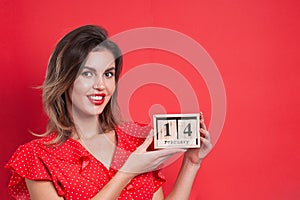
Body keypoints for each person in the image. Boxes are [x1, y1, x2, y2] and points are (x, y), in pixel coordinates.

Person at [5, 25, 212, 200]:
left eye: (108, 74)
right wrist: (128, 171)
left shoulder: (137, 140)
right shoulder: (37, 156)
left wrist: (192, 163)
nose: (100, 85)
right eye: (87, 73)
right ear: (64, 81)